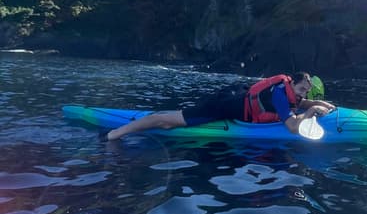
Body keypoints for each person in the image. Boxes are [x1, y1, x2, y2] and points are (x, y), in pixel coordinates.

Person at [106, 72, 335, 140]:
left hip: (238, 96)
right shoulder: (279, 95)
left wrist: (316, 102)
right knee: (166, 122)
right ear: (291, 83)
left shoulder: (290, 92)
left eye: (307, 90)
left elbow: (300, 102)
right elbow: (293, 128)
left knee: (173, 118)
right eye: (301, 88)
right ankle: (116, 133)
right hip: (225, 105)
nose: (303, 93)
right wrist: (313, 111)